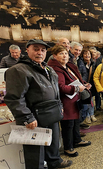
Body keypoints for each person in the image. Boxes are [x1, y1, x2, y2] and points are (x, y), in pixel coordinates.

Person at [5, 39, 72, 168]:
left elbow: (55, 90)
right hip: (34, 116)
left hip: (51, 112)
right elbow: (14, 98)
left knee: (53, 142)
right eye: (36, 49)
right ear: (27, 50)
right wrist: (26, 117)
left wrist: (60, 106)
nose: (40, 53)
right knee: (35, 151)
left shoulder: (48, 68)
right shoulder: (18, 70)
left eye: (43, 50)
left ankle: (54, 161)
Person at [47, 45, 92, 157]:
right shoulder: (56, 69)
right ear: (54, 56)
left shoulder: (67, 66)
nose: (64, 56)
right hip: (66, 100)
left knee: (76, 121)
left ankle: (76, 140)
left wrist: (83, 84)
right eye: (61, 53)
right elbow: (61, 87)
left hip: (74, 99)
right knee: (68, 124)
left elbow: (74, 79)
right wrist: (77, 88)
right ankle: (68, 147)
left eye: (66, 53)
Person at [80, 49, 97, 124]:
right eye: (85, 54)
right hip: (83, 84)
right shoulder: (81, 63)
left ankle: (92, 114)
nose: (87, 55)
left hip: (91, 84)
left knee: (91, 100)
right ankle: (87, 116)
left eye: (89, 54)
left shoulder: (93, 63)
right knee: (86, 101)